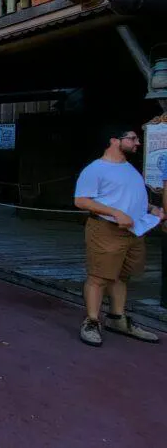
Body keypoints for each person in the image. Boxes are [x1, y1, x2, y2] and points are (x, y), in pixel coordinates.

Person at [73, 125, 162, 346]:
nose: (137, 143)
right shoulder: (95, 169)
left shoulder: (130, 169)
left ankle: (117, 318)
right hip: (106, 229)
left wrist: (152, 209)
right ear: (115, 140)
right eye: (132, 139)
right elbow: (81, 200)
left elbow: (128, 198)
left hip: (133, 230)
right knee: (99, 276)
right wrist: (115, 213)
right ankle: (92, 321)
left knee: (122, 275)